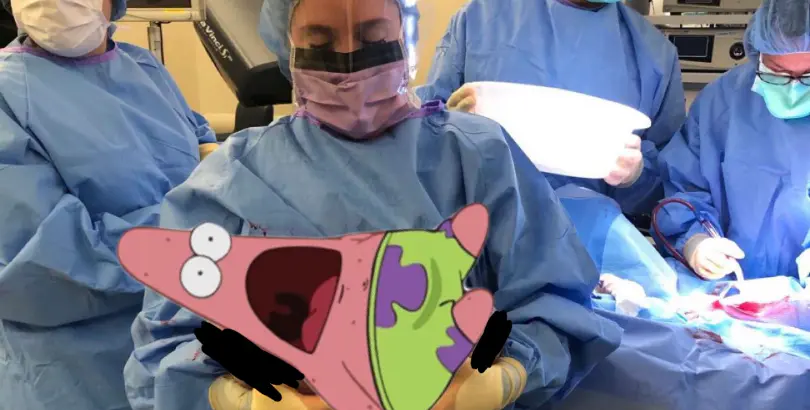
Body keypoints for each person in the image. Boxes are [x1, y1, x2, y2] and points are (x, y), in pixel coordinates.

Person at [122, 0, 623, 409]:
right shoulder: (235, 177)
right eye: (319, 43)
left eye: (372, 37)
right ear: (287, 46)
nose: (348, 63)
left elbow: (555, 304)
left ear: (403, 36)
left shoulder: (478, 156)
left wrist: (502, 377)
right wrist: (241, 399)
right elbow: (168, 345)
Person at [0, 0, 218, 408]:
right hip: (78, 381)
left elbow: (202, 149)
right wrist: (195, 232)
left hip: (185, 357)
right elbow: (35, 266)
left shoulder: (144, 68)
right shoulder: (7, 96)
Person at [415, 0, 686, 217]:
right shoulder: (481, 18)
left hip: (589, 248)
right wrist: (451, 129)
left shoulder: (654, 55)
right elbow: (420, 134)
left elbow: (671, 187)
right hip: (475, 230)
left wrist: (635, 176)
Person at [655, 0, 810, 283]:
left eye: (808, 76)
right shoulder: (722, 102)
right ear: (757, 53)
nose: (792, 90)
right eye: (777, 72)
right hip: (730, 290)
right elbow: (686, 189)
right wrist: (697, 242)